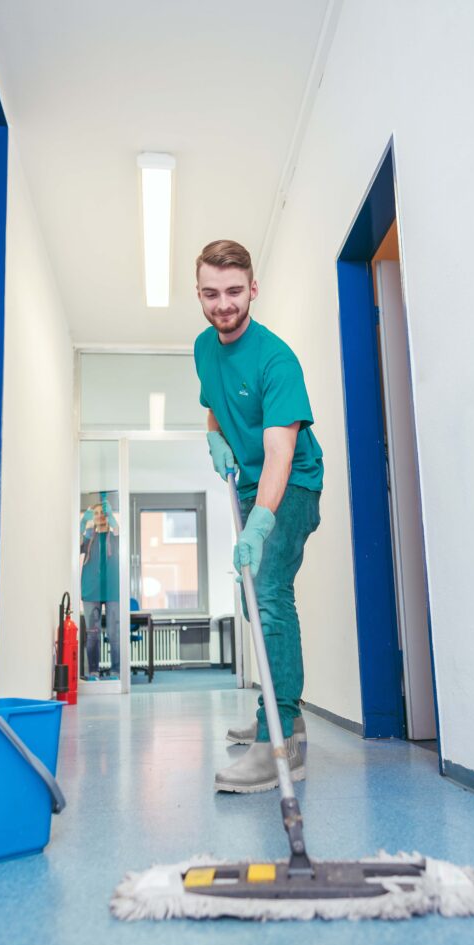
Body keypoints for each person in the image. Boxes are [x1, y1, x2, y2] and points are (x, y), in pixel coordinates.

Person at [193, 239, 323, 793]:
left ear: (253, 289)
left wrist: (261, 521)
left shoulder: (276, 358)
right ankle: (279, 709)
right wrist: (213, 439)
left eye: (234, 291)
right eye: (211, 292)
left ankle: (283, 740)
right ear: (199, 292)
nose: (223, 304)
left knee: (268, 590)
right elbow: (214, 404)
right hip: (248, 482)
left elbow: (280, 452)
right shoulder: (203, 346)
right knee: (251, 599)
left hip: (290, 484)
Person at [80, 497, 120, 678]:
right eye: (96, 514)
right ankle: (93, 672)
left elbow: (119, 529)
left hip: (113, 590)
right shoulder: (89, 538)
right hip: (91, 591)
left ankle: (116, 671)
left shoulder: (115, 537)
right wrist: (83, 520)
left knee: (114, 633)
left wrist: (110, 514)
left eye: (102, 513)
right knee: (93, 635)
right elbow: (75, 540)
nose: (100, 516)